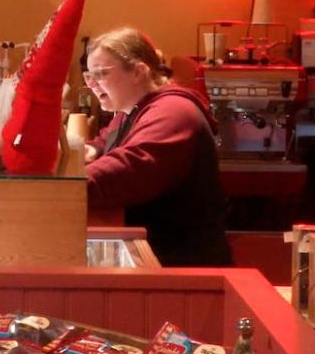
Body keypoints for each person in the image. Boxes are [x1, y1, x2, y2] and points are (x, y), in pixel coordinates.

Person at [83, 27, 232, 267]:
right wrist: (93, 149)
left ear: (138, 72)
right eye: (89, 76)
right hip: (158, 257)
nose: (92, 84)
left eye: (100, 74)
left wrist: (62, 189)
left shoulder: (173, 113)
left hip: (185, 269)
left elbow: (130, 168)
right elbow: (109, 138)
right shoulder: (133, 107)